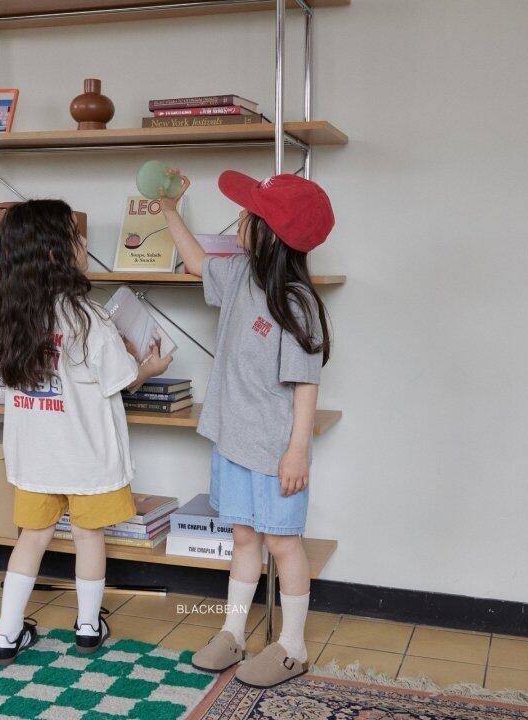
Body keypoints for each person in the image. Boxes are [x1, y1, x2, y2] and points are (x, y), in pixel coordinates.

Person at [159, 170, 334, 688]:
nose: (239, 219)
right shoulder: (237, 274)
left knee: (282, 543)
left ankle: (293, 647)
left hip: (275, 451)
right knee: (242, 538)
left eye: (249, 215)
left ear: (272, 234)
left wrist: (297, 451)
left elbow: (306, 384)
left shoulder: (298, 303)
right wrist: (169, 210)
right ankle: (233, 633)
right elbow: (196, 262)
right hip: (231, 441)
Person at [0, 199, 171, 665]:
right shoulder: (89, 318)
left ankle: (6, 634)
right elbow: (121, 380)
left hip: (35, 459)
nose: (86, 241)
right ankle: (88, 628)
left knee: (31, 538)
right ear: (55, 252)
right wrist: (150, 368)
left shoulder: (11, 318)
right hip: (87, 459)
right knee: (89, 538)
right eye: (76, 234)